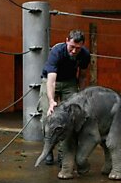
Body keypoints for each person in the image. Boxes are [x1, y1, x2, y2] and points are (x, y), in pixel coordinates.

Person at [37, 30, 91, 165]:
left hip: (70, 82)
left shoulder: (84, 54)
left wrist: (81, 94)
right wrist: (51, 102)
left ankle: (64, 153)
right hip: (50, 80)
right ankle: (48, 149)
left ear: (82, 45)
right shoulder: (57, 52)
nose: (74, 51)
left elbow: (83, 75)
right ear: (67, 40)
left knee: (70, 117)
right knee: (46, 115)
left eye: (77, 48)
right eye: (71, 47)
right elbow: (51, 81)